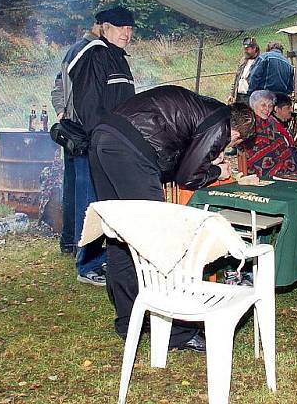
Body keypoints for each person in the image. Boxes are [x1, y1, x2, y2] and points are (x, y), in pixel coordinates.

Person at [87, 86, 256, 351]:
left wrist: (206, 160)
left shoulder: (204, 109)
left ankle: (129, 320)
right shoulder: (220, 123)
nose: (228, 147)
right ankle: (176, 333)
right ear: (234, 134)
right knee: (160, 240)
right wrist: (216, 170)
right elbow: (186, 177)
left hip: (103, 137)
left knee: (120, 234)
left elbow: (174, 155)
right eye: (232, 144)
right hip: (132, 150)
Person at [68, 7, 136, 286]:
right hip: (96, 143)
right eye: (120, 27)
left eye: (130, 29)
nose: (126, 33)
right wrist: (101, 139)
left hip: (113, 142)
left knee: (105, 202)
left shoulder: (116, 57)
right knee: (91, 204)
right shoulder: (95, 54)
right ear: (103, 27)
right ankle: (88, 263)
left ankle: (101, 258)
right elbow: (89, 105)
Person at [50, 19, 100, 255]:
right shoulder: (92, 52)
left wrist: (61, 112)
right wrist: (64, 111)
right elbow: (60, 86)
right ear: (100, 26)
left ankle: (69, 241)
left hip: (71, 128)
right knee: (83, 189)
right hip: (81, 131)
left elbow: (57, 87)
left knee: (71, 186)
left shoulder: (74, 50)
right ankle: (81, 244)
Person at [243, 90, 297, 177]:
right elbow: (251, 152)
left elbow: (281, 146)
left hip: (280, 164)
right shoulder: (249, 124)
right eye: (263, 105)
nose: (267, 109)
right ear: (253, 105)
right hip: (259, 169)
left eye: (270, 106)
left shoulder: (270, 122)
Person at [229, 36, 260, 105]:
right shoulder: (243, 60)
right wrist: (232, 94)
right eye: (244, 49)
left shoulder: (260, 62)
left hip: (251, 97)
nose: (245, 51)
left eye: (247, 49)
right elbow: (236, 78)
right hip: (239, 96)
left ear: (254, 48)